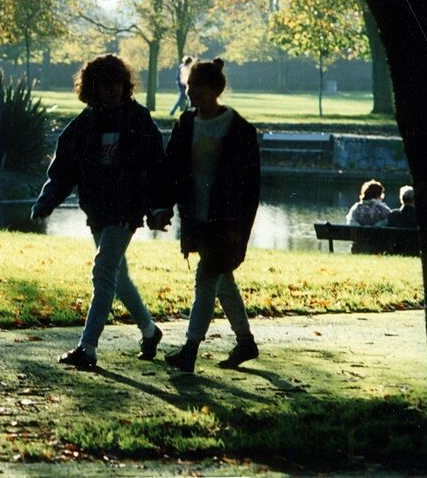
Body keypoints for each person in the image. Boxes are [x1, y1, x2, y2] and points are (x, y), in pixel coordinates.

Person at [30, 54, 166, 371]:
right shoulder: (84, 125)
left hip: (126, 210)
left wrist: (158, 206)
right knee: (118, 278)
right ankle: (150, 330)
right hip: (97, 211)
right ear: (94, 89)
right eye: (104, 86)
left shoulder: (139, 120)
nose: (111, 91)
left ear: (124, 85)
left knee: (103, 272)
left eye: (116, 84)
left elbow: (156, 168)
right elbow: (62, 171)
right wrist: (46, 202)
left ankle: (87, 348)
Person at [154, 58, 261, 374]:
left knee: (205, 279)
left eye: (196, 87)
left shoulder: (239, 130)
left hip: (225, 223)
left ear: (215, 89)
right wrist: (162, 206)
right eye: (188, 87)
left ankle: (190, 349)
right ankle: (245, 342)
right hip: (196, 218)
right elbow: (171, 171)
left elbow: (250, 188)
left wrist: (242, 232)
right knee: (221, 280)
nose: (190, 93)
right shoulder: (186, 124)